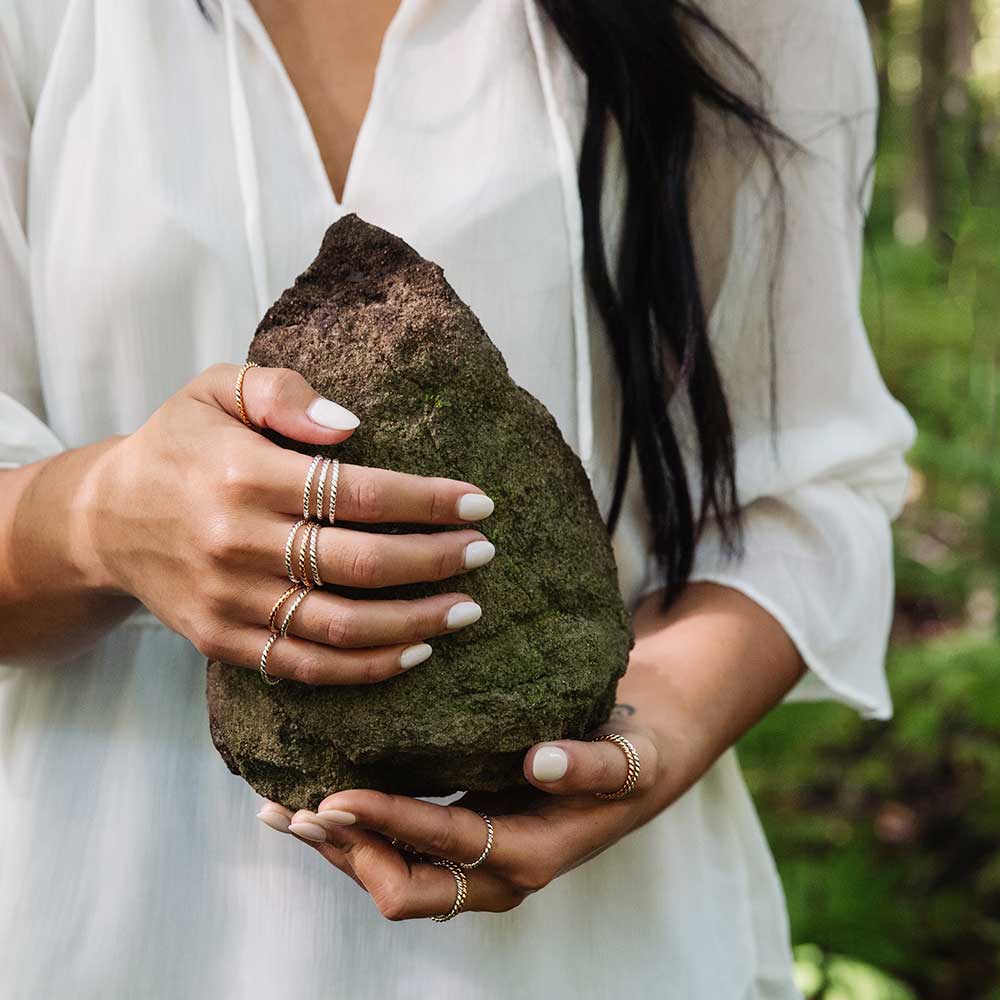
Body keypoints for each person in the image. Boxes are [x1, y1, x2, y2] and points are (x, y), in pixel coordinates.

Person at [0, 0, 916, 997]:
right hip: (112, 924)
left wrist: (652, 726)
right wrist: (95, 519)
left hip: (591, 947)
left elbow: (810, 491)